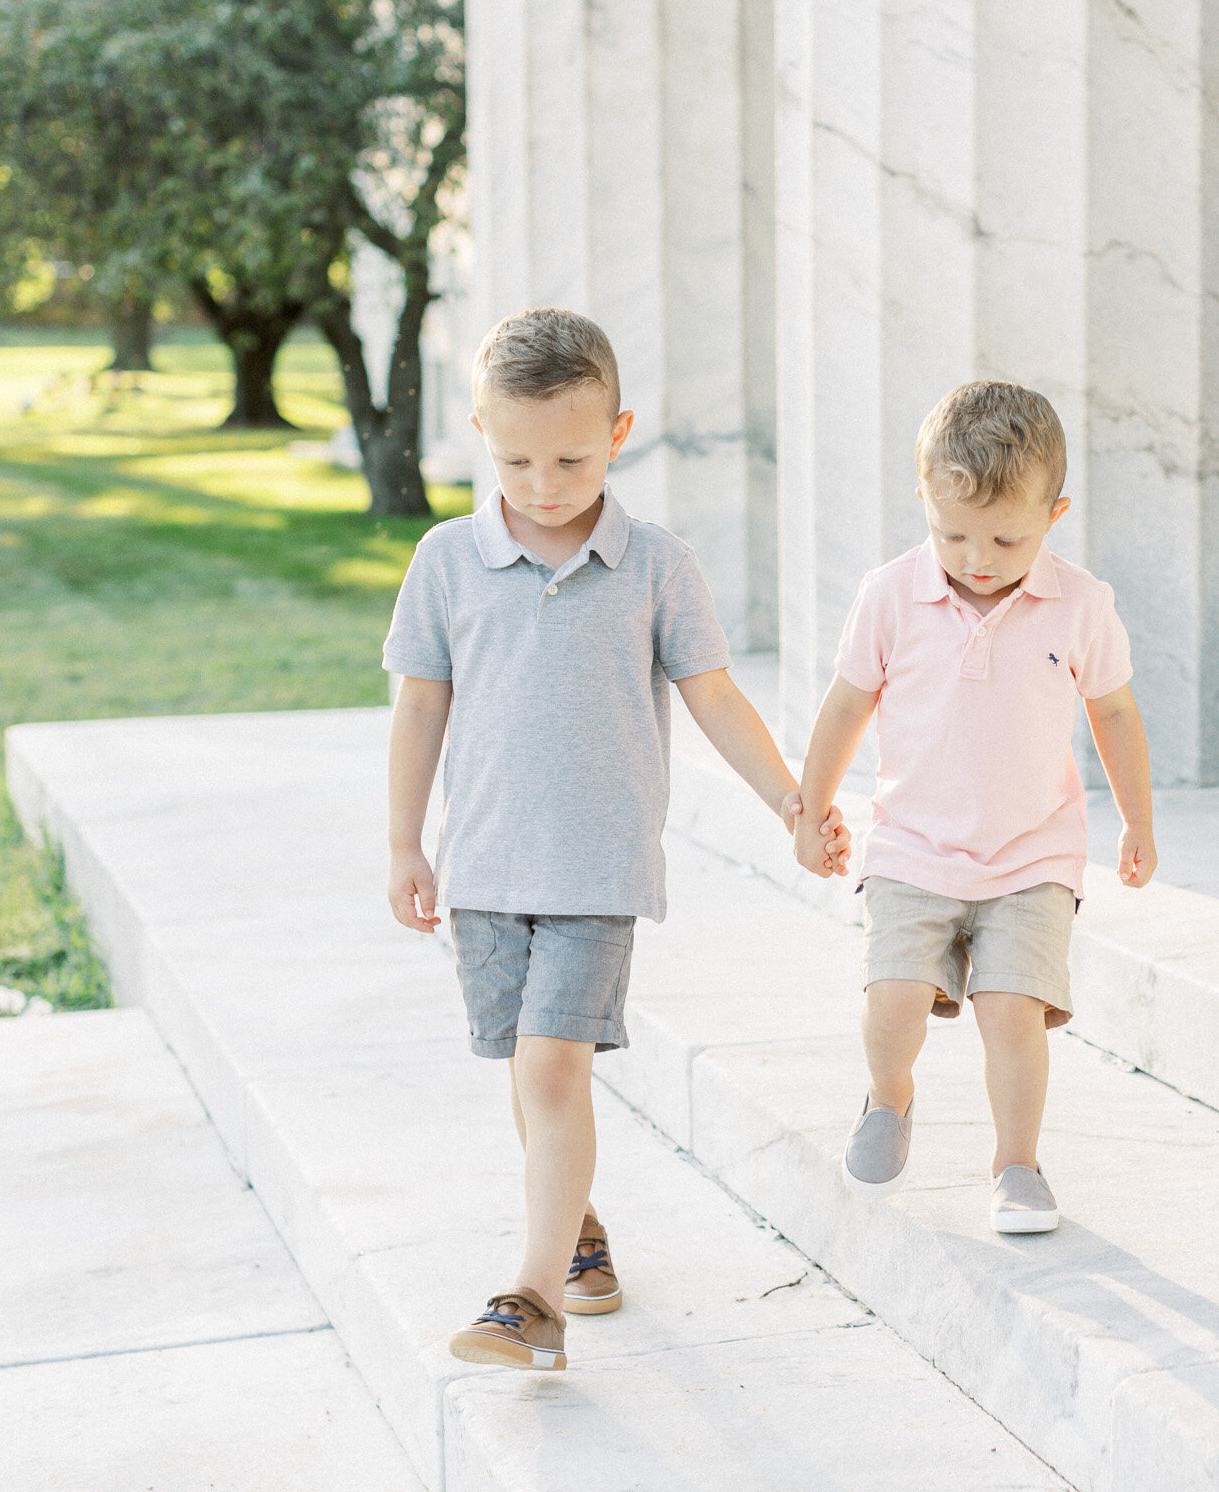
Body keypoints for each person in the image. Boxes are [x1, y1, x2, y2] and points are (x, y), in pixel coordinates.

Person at [383, 307, 848, 1371]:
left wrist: (791, 799)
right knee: (527, 1072)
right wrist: (406, 844)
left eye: (571, 457)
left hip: (596, 870)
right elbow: (419, 708)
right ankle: (578, 1233)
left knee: (551, 1067)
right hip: (485, 871)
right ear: (477, 434)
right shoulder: (447, 560)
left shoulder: (652, 567)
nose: (543, 482)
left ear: (619, 432)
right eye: (514, 458)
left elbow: (716, 696)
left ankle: (530, 1295)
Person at [791, 380, 1156, 1235]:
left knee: (1011, 1014)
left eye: (1007, 537)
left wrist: (1137, 821)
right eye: (951, 533)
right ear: (923, 499)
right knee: (893, 997)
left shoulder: (1081, 604)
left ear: (1055, 514)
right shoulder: (889, 595)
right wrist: (811, 812)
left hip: (1031, 852)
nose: (978, 557)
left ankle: (1017, 1165)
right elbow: (846, 707)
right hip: (913, 843)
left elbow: (1114, 713)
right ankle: (889, 1099)